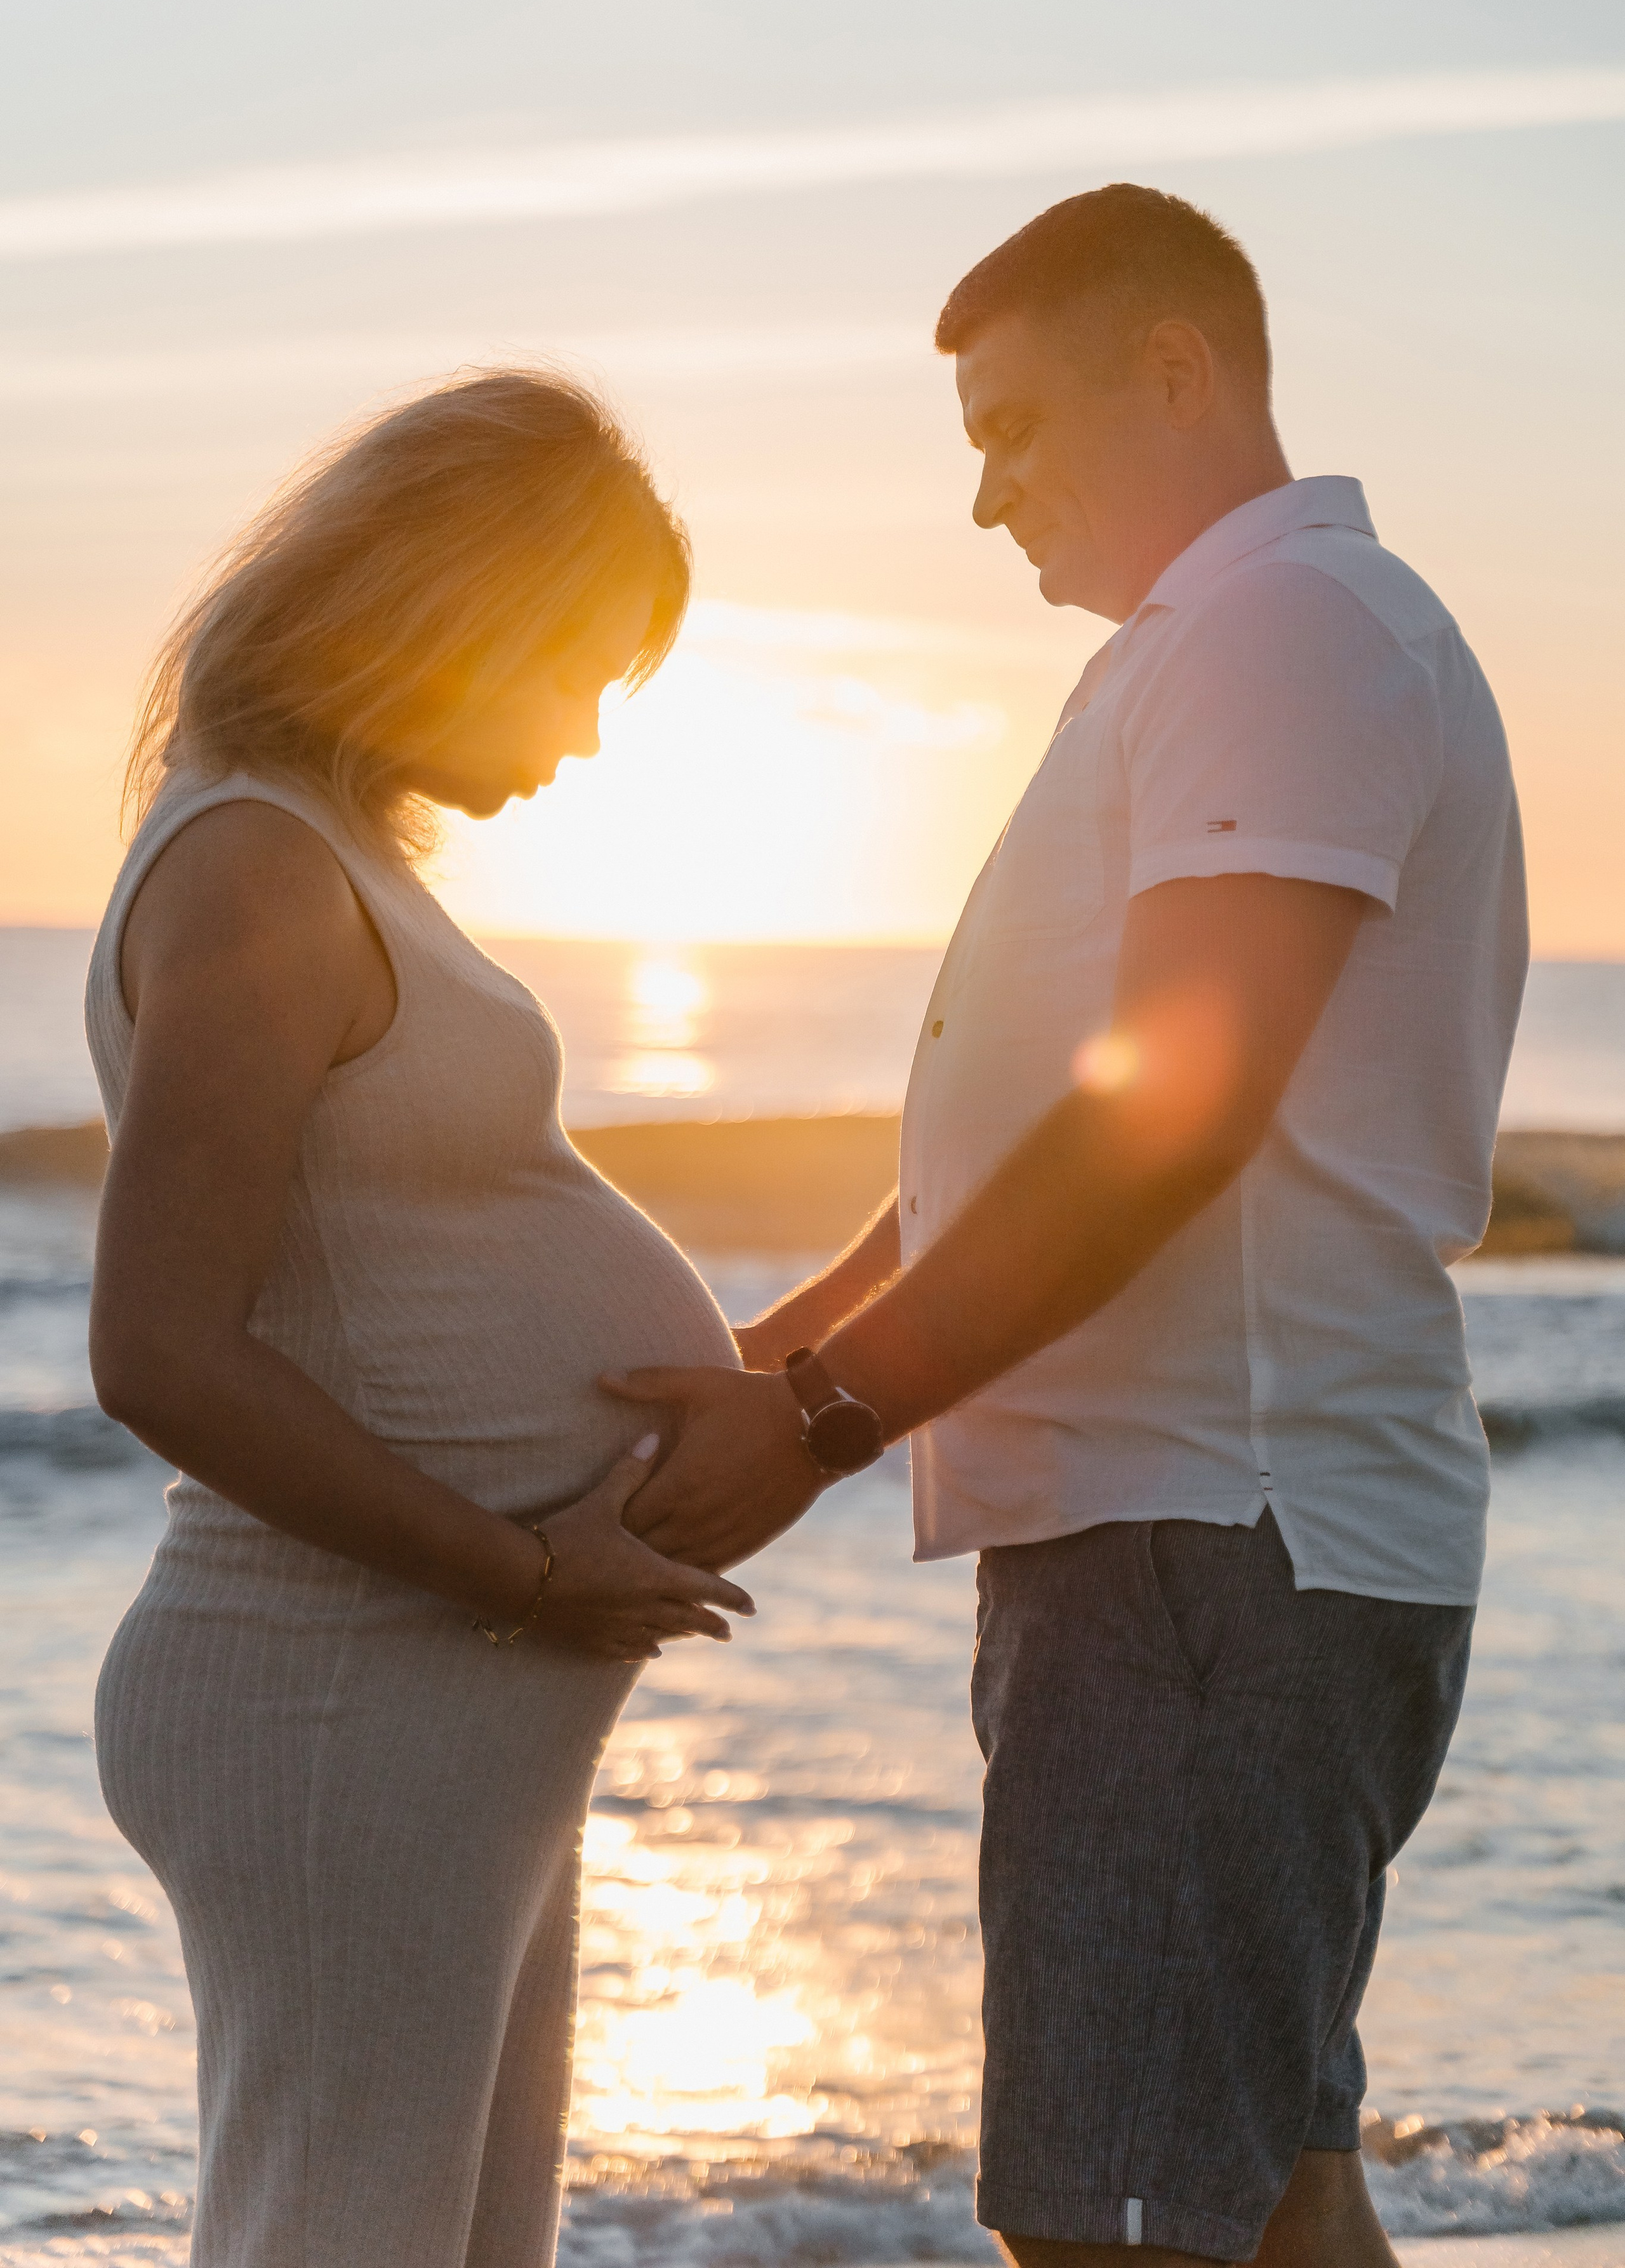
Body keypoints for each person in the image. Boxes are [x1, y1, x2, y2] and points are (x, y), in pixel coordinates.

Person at [607, 186, 1527, 2267]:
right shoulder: (1215, 651)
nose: (985, 497)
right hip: (1202, 1543)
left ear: (1176, 372)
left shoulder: (1288, 632)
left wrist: (830, 1417)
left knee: (1117, 2232)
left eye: (1012, 430)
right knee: (1270, 2208)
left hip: (1218, 1544)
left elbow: (1172, 1120)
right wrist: (779, 1353)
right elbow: (1037, 1119)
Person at [85, 371, 754, 2268]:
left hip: (436, 1697)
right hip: (339, 1691)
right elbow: (154, 1351)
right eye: (588, 670)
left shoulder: (324, 850)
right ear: (468, 611)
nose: (595, 735)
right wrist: (519, 1572)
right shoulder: (253, 868)